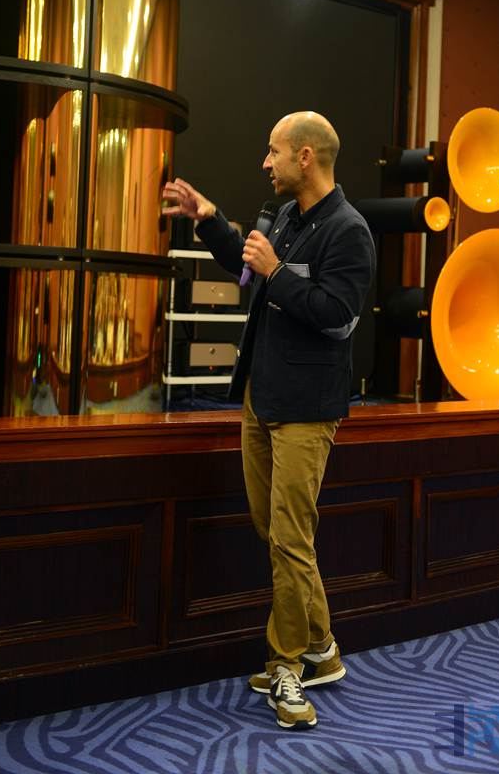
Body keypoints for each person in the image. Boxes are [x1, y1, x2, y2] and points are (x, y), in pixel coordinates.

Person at [162, 111, 376, 730]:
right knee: (277, 529)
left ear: (305, 156)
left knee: (289, 538)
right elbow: (248, 266)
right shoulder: (282, 216)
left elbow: (338, 317)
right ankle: (323, 647)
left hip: (308, 408)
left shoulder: (349, 230)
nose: (265, 162)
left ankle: (287, 666)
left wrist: (278, 273)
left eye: (273, 152)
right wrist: (211, 220)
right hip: (262, 398)